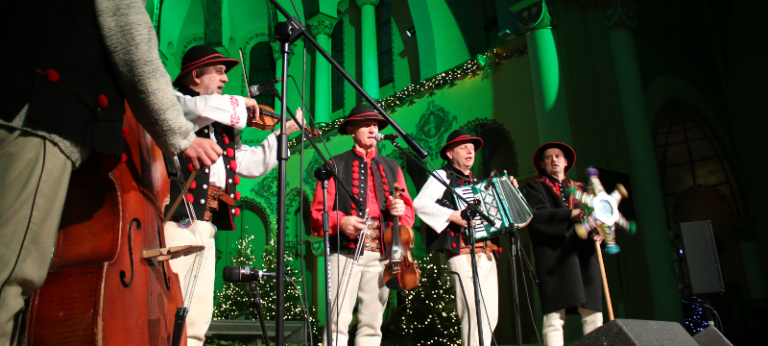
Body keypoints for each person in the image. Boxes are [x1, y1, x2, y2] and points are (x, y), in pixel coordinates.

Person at [0, 1, 221, 345]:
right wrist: (180, 136)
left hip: (28, 102)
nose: (224, 79)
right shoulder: (199, 106)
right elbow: (130, 36)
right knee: (11, 274)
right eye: (217, 71)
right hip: (41, 109)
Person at [163, 44, 304, 346]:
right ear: (195, 75)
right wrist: (239, 102)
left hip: (208, 223)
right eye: (218, 71)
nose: (225, 78)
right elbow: (199, 110)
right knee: (166, 303)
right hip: (175, 222)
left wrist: (282, 134)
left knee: (199, 313)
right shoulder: (175, 103)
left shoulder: (223, 126)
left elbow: (247, 163)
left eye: (226, 73)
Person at [309, 105, 414, 346]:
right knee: (338, 320)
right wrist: (340, 221)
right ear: (352, 130)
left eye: (375, 125)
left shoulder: (392, 167)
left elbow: (408, 213)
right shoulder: (335, 164)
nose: (372, 128)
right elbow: (317, 216)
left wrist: (401, 210)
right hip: (345, 250)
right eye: (366, 124)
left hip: (382, 250)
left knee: (372, 323)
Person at [413, 129, 518, 346]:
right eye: (464, 147)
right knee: (473, 313)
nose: (470, 151)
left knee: (490, 316)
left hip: (487, 252)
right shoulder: (442, 176)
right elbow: (420, 204)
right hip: (462, 252)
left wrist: (510, 192)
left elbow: (497, 217)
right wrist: (452, 215)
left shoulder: (479, 181)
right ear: (450, 153)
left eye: (472, 148)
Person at [524, 142, 604, 346]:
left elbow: (596, 215)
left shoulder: (582, 188)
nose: (554, 160)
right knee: (554, 317)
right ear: (542, 164)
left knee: (593, 313)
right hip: (555, 257)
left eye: (558, 156)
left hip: (584, 254)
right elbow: (536, 216)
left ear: (566, 161)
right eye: (549, 157)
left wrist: (598, 230)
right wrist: (570, 214)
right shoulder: (536, 187)